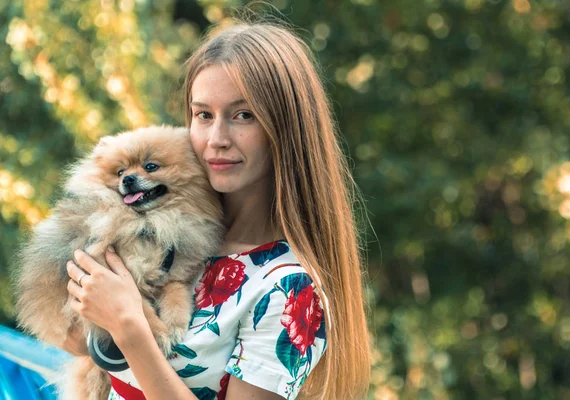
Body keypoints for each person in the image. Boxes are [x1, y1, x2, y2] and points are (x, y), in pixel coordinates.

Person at [62, 19, 371, 400]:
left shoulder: (289, 288)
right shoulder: (162, 224)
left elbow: (125, 331)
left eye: (243, 115)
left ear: (286, 130)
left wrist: (130, 328)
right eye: (203, 115)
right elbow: (72, 335)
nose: (217, 139)